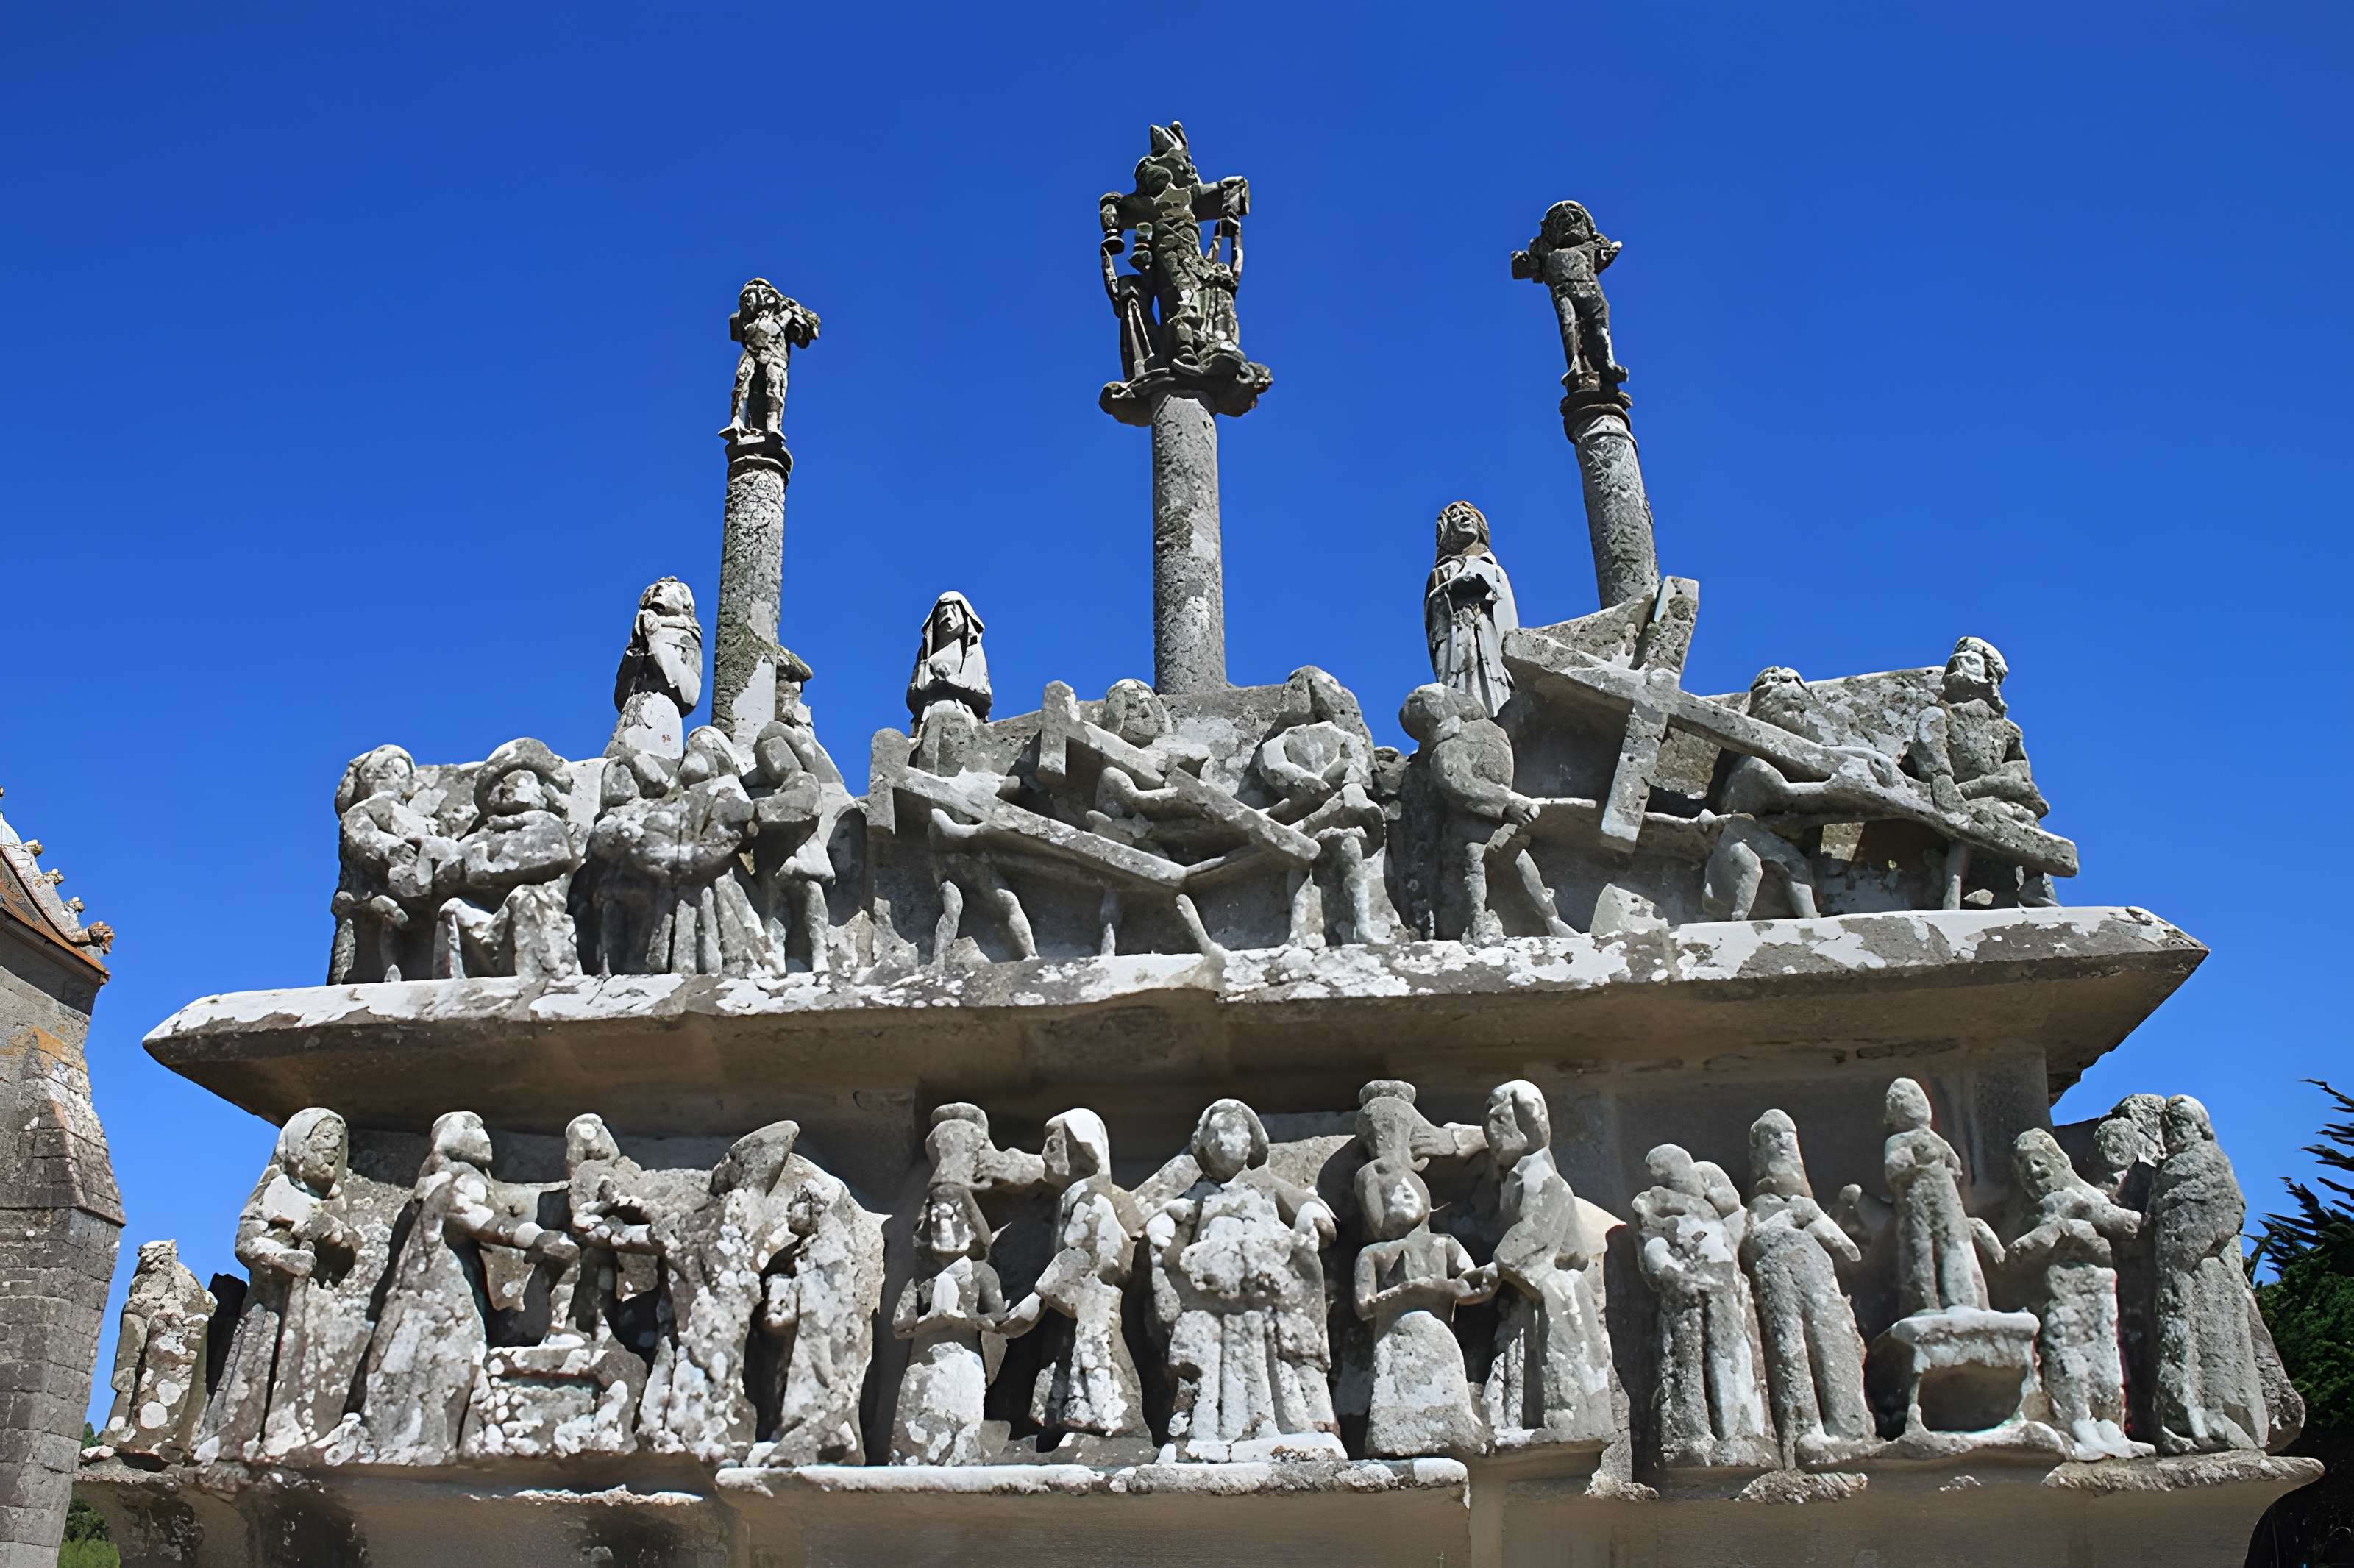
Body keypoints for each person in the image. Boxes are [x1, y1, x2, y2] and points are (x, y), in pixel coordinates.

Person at [1423, 502, 1520, 719]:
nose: (1463, 517)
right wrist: (1451, 590)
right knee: (1459, 689)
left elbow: (1507, 613)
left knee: (1495, 694)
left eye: (1468, 514)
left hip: (1486, 635)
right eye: (1455, 515)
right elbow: (1432, 619)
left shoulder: (1491, 567)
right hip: (1456, 637)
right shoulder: (1441, 572)